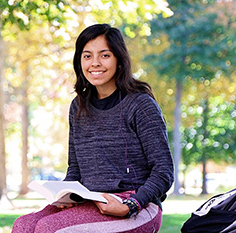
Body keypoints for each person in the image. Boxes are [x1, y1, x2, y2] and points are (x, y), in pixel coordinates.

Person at [12, 23, 174, 233]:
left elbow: (164, 172)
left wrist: (131, 205)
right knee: (23, 225)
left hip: (138, 206)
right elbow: (76, 169)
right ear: (79, 61)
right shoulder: (78, 106)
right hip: (89, 200)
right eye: (87, 56)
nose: (95, 63)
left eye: (104, 55)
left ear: (119, 59)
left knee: (48, 228)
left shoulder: (140, 104)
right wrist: (64, 195)